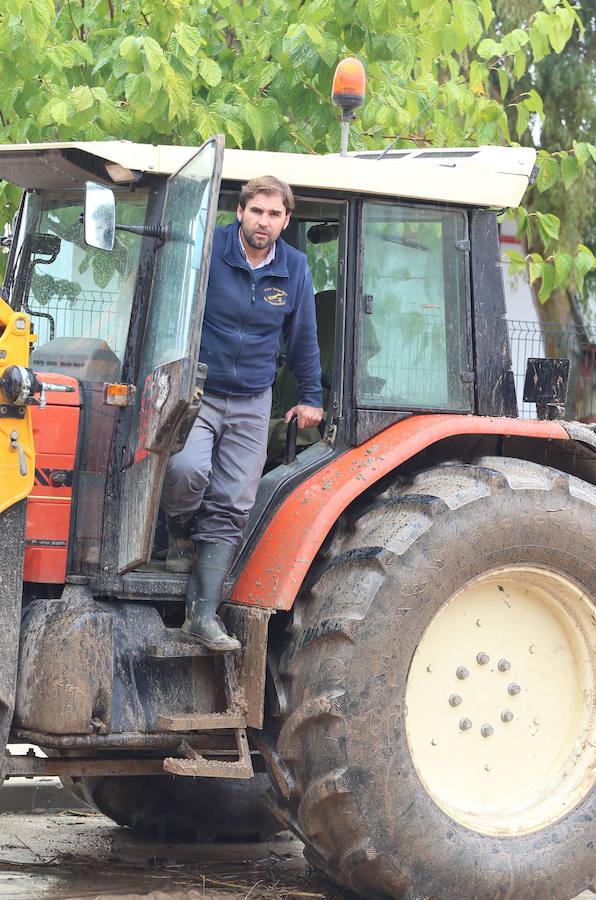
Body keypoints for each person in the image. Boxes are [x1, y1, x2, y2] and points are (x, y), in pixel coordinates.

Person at [161, 176, 323, 651]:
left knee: (234, 499)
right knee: (186, 469)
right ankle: (179, 534)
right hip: (201, 389)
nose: (264, 222)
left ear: (285, 221)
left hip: (253, 398)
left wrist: (311, 396)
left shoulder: (293, 267)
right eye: (257, 211)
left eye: (274, 215)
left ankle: (202, 615)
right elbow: (174, 309)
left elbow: (303, 336)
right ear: (240, 211)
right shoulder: (209, 250)